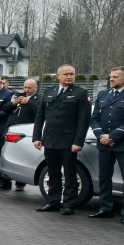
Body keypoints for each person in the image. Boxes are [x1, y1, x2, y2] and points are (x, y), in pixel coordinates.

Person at [87, 67, 124, 223]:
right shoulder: (103, 95)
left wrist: (113, 136)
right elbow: (94, 119)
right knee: (104, 177)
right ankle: (105, 208)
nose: (111, 79)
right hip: (104, 144)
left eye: (115, 77)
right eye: (110, 76)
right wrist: (101, 136)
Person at [32, 64, 91, 214]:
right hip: (50, 139)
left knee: (70, 174)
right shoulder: (49, 91)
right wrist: (37, 137)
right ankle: (53, 201)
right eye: (66, 74)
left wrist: (78, 142)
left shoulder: (80, 93)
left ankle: (69, 204)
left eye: (72, 74)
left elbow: (83, 120)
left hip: (68, 142)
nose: (69, 77)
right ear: (58, 76)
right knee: (53, 173)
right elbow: (40, 116)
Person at [0, 79, 40, 191]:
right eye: (25, 87)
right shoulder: (17, 95)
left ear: (36, 88)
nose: (26, 90)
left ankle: (20, 184)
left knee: (21, 157)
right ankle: (4, 182)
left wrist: (28, 103)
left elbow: (39, 113)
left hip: (24, 133)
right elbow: (5, 109)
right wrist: (13, 103)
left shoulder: (39, 98)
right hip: (11, 130)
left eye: (29, 88)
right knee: (5, 156)